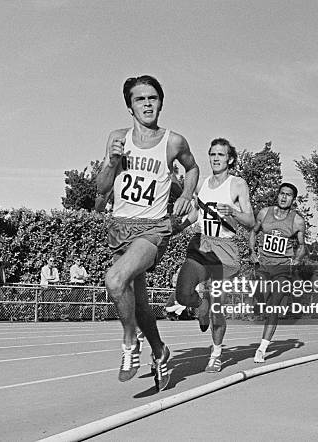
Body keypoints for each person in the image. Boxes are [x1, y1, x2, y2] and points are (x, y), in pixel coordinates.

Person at [96, 75, 199, 392]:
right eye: (140, 99)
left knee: (115, 279)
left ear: (161, 102)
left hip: (153, 229)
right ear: (130, 106)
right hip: (121, 227)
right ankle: (160, 351)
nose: (147, 104)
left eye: (152, 97)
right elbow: (101, 190)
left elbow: (192, 168)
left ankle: (130, 342)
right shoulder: (117, 138)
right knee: (139, 305)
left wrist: (185, 195)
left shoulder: (173, 141)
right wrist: (112, 163)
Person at [174, 138, 254, 372]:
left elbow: (250, 221)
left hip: (224, 250)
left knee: (218, 306)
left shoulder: (237, 184)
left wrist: (233, 212)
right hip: (201, 243)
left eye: (220, 154)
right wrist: (177, 227)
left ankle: (216, 353)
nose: (215, 158)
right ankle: (201, 306)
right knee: (182, 294)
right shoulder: (202, 184)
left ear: (230, 159)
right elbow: (195, 214)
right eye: (212, 154)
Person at [249, 183, 306, 363]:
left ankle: (262, 348)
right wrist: (252, 251)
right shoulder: (264, 213)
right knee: (262, 301)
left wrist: (297, 259)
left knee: (273, 305)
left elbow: (302, 246)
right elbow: (253, 232)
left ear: (293, 199)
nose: (284, 197)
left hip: (282, 268)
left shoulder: (297, 221)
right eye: (282, 193)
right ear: (278, 195)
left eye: (288, 195)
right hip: (264, 266)